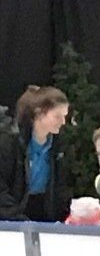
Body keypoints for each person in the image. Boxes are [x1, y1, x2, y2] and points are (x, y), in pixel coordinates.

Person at [0, 86, 71, 222]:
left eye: (64, 116)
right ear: (38, 113)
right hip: (10, 217)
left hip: (44, 213)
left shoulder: (59, 146)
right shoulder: (8, 143)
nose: (63, 122)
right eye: (57, 116)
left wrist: (61, 217)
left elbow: (61, 187)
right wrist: (16, 219)